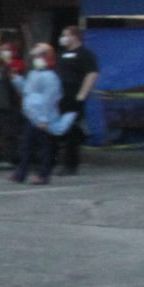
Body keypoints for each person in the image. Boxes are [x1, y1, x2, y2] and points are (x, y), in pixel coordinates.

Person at [12, 44, 65, 185]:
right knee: (26, 145)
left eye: (39, 56)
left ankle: (43, 174)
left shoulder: (50, 77)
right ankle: (21, 172)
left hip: (43, 117)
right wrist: (17, 80)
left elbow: (50, 99)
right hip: (31, 115)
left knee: (45, 147)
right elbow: (27, 91)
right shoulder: (33, 74)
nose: (36, 59)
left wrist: (44, 118)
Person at [53, 25, 100, 175]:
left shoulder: (85, 54)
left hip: (74, 96)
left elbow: (92, 74)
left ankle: (71, 164)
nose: (63, 38)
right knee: (57, 130)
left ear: (75, 36)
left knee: (72, 129)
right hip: (59, 96)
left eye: (65, 35)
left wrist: (82, 93)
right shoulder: (61, 55)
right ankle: (53, 160)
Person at [0, 47, 24, 166]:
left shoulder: (12, 66)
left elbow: (16, 81)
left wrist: (9, 63)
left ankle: (9, 158)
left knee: (9, 133)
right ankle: (2, 155)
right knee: (1, 133)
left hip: (9, 106)